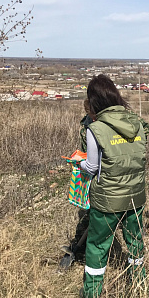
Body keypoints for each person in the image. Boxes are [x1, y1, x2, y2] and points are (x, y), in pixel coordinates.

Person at [71, 74, 149, 298]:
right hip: (136, 196)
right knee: (135, 241)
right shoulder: (138, 123)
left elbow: (92, 167)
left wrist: (78, 163)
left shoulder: (96, 129)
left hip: (108, 200)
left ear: (94, 101)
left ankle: (92, 293)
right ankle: (139, 281)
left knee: (97, 245)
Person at [59, 100, 94, 269]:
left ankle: (88, 250)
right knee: (91, 213)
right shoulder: (86, 124)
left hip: (106, 177)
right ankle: (79, 247)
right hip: (90, 172)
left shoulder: (109, 125)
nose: (90, 117)